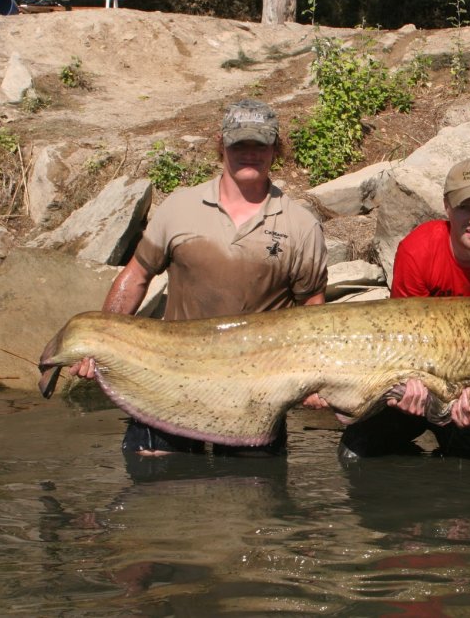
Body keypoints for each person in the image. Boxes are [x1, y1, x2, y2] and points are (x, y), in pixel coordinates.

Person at [72, 99, 328, 457]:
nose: (250, 154)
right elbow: (137, 276)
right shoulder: (179, 207)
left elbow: (313, 310)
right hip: (169, 382)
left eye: (261, 145)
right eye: (240, 145)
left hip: (255, 395)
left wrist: (315, 379)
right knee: (152, 484)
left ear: (276, 148)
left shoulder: (300, 225)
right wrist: (100, 342)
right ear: (221, 145)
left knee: (252, 504)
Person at [338, 157, 470, 461]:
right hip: (419, 380)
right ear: (446, 208)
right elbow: (401, 339)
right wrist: (406, 388)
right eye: (463, 208)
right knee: (354, 451)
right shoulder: (417, 251)